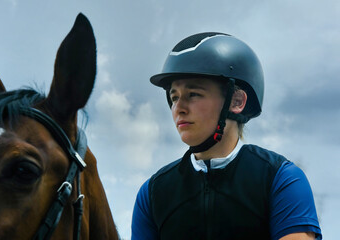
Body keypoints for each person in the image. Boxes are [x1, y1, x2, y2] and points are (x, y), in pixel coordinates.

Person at [131, 32, 322, 240]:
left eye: (193, 94)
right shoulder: (152, 194)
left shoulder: (282, 179)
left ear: (237, 101)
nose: (179, 108)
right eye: (174, 97)